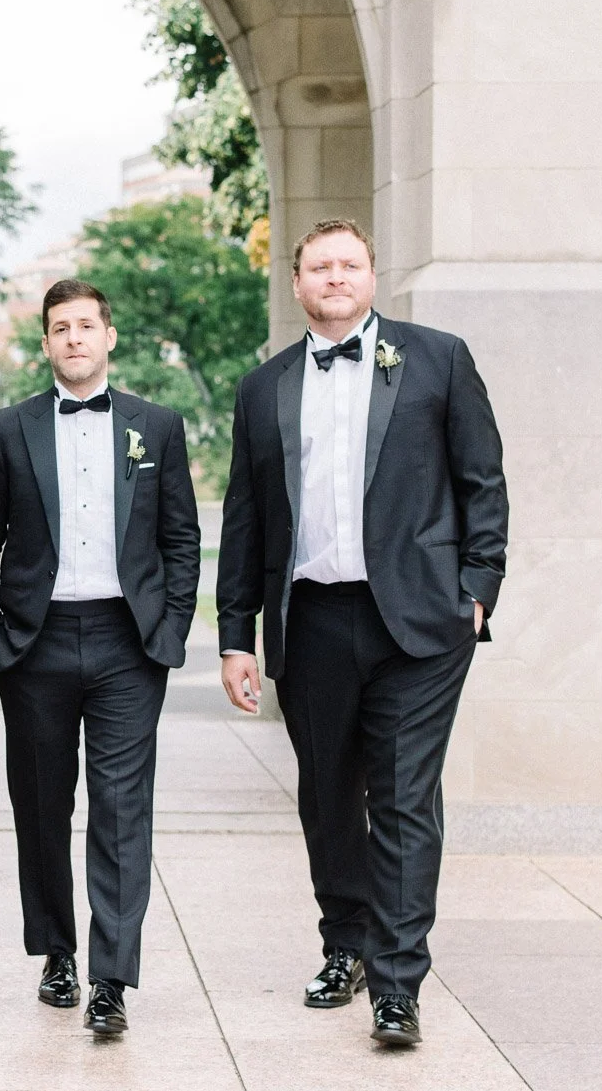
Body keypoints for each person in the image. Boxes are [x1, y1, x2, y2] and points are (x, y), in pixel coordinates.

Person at [215, 219, 507, 1046]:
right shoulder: (262, 386)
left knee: (406, 795)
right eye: (319, 266)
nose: (335, 276)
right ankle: (343, 941)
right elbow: (246, 518)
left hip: (421, 621)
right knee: (328, 796)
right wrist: (238, 633)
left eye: (349, 264)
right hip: (311, 618)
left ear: (372, 276)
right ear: (299, 282)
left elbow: (482, 481)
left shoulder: (438, 359)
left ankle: (397, 979)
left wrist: (477, 591)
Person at [0, 278, 201, 1035]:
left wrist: (168, 629)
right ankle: (56, 952)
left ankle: (112, 976)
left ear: (110, 336)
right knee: (40, 805)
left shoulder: (155, 426)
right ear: (45, 342)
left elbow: (181, 539)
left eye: (86, 325)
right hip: (34, 643)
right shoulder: (7, 429)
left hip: (128, 644)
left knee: (122, 809)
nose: (74, 337)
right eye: (60, 327)